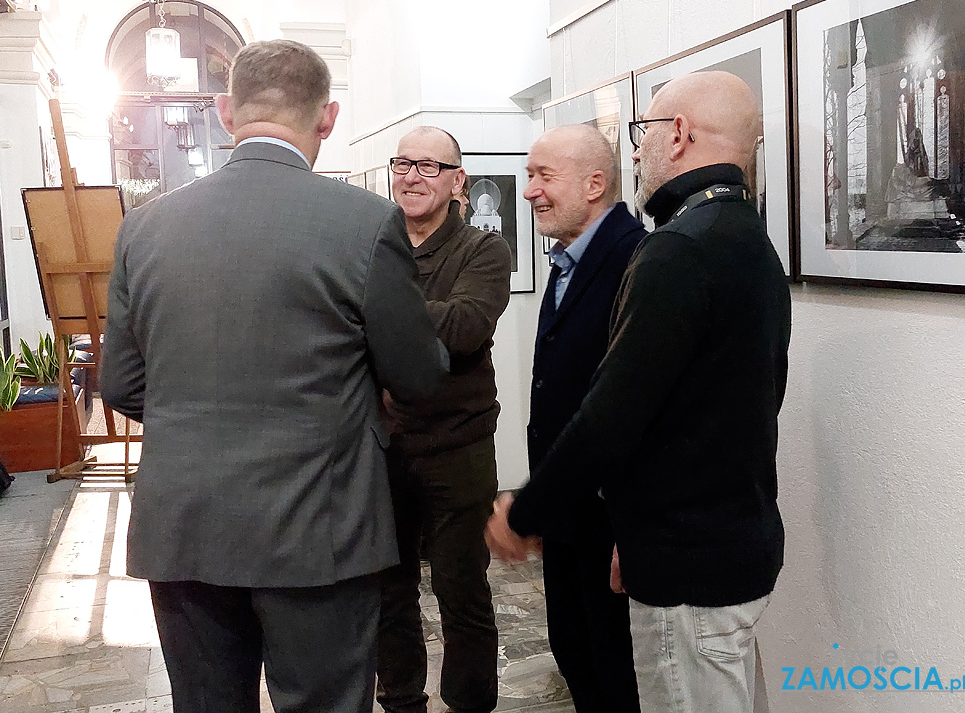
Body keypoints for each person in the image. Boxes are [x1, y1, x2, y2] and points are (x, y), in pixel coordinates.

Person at [100, 40, 448, 713]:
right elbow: (419, 374)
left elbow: (119, 384)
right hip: (320, 526)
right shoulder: (365, 221)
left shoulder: (143, 227)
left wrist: (198, 415)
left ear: (227, 112)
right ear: (328, 117)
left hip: (185, 524)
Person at [487, 71, 791, 713]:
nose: (636, 151)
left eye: (643, 132)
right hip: (721, 548)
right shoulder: (742, 237)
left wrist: (524, 512)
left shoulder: (679, 250)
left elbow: (612, 415)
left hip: (690, 569)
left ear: (679, 134)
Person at [377, 127, 511, 713]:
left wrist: (375, 310)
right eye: (403, 164)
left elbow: (463, 329)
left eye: (429, 166)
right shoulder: (372, 246)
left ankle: (469, 705)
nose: (412, 176)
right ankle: (402, 701)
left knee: (462, 594)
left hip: (457, 452)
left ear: (458, 181)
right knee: (390, 592)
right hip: (382, 447)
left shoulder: (483, 251)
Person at [522, 124, 645, 713]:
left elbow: (638, 407)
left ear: (595, 183)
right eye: (528, 176)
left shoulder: (632, 258)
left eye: (544, 176)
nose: (529, 191)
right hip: (568, 513)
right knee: (577, 655)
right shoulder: (568, 259)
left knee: (615, 673)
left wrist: (628, 526)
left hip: (607, 519)